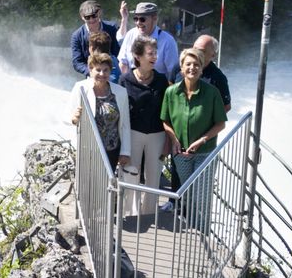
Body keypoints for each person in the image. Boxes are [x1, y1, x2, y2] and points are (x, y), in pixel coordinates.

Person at [160, 48, 226, 222]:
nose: (192, 68)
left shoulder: (212, 93)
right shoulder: (171, 92)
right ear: (181, 68)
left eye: (196, 64)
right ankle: (188, 226)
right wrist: (173, 139)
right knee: (185, 191)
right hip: (180, 152)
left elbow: (221, 123)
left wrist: (202, 140)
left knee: (202, 195)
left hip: (204, 152)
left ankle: (202, 229)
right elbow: (165, 120)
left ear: (202, 69)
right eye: (188, 64)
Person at [119, 36, 172, 217]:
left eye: (156, 53)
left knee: (154, 176)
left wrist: (168, 140)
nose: (155, 57)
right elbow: (121, 112)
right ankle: (132, 214)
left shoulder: (162, 80)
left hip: (157, 134)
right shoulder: (125, 80)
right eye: (150, 53)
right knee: (132, 173)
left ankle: (149, 213)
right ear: (137, 55)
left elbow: (168, 111)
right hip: (133, 133)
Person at [70, 52, 131, 171]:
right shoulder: (80, 88)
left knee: (107, 186)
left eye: (106, 70)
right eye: (98, 70)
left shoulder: (121, 92)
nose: (102, 74)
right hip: (88, 149)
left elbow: (125, 124)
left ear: (110, 71)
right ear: (90, 70)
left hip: (111, 150)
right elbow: (69, 115)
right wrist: (74, 118)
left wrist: (125, 152)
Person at [117, 1, 179, 79]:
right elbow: (123, 63)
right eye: (136, 19)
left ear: (155, 18)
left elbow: (173, 72)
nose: (138, 23)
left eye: (142, 19)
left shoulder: (168, 41)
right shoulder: (130, 34)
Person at [69, 0, 120, 76]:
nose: (91, 20)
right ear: (82, 17)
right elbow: (77, 62)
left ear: (99, 13)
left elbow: (118, 53)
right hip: (92, 75)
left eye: (94, 16)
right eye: (87, 17)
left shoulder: (113, 28)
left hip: (114, 72)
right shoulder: (77, 36)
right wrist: (92, 71)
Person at [193, 34, 231, 113]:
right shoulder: (178, 67)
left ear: (213, 55)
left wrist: (210, 122)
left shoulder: (218, 78)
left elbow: (226, 106)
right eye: (194, 49)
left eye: (201, 51)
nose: (196, 53)